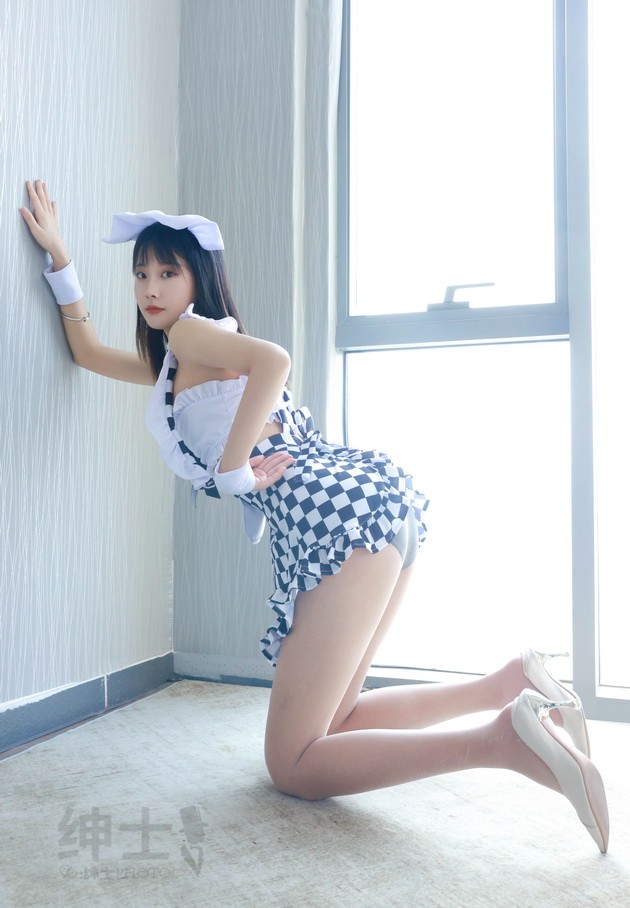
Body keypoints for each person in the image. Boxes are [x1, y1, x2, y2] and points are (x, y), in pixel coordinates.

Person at [20, 178, 609, 853]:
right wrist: (60, 258)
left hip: (333, 521)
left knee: (293, 765)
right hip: (367, 508)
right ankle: (509, 684)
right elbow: (89, 352)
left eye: (168, 272)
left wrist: (233, 470)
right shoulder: (180, 358)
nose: (150, 288)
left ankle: (503, 741)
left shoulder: (192, 332)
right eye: (141, 273)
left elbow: (274, 360)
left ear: (199, 279)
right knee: (336, 719)